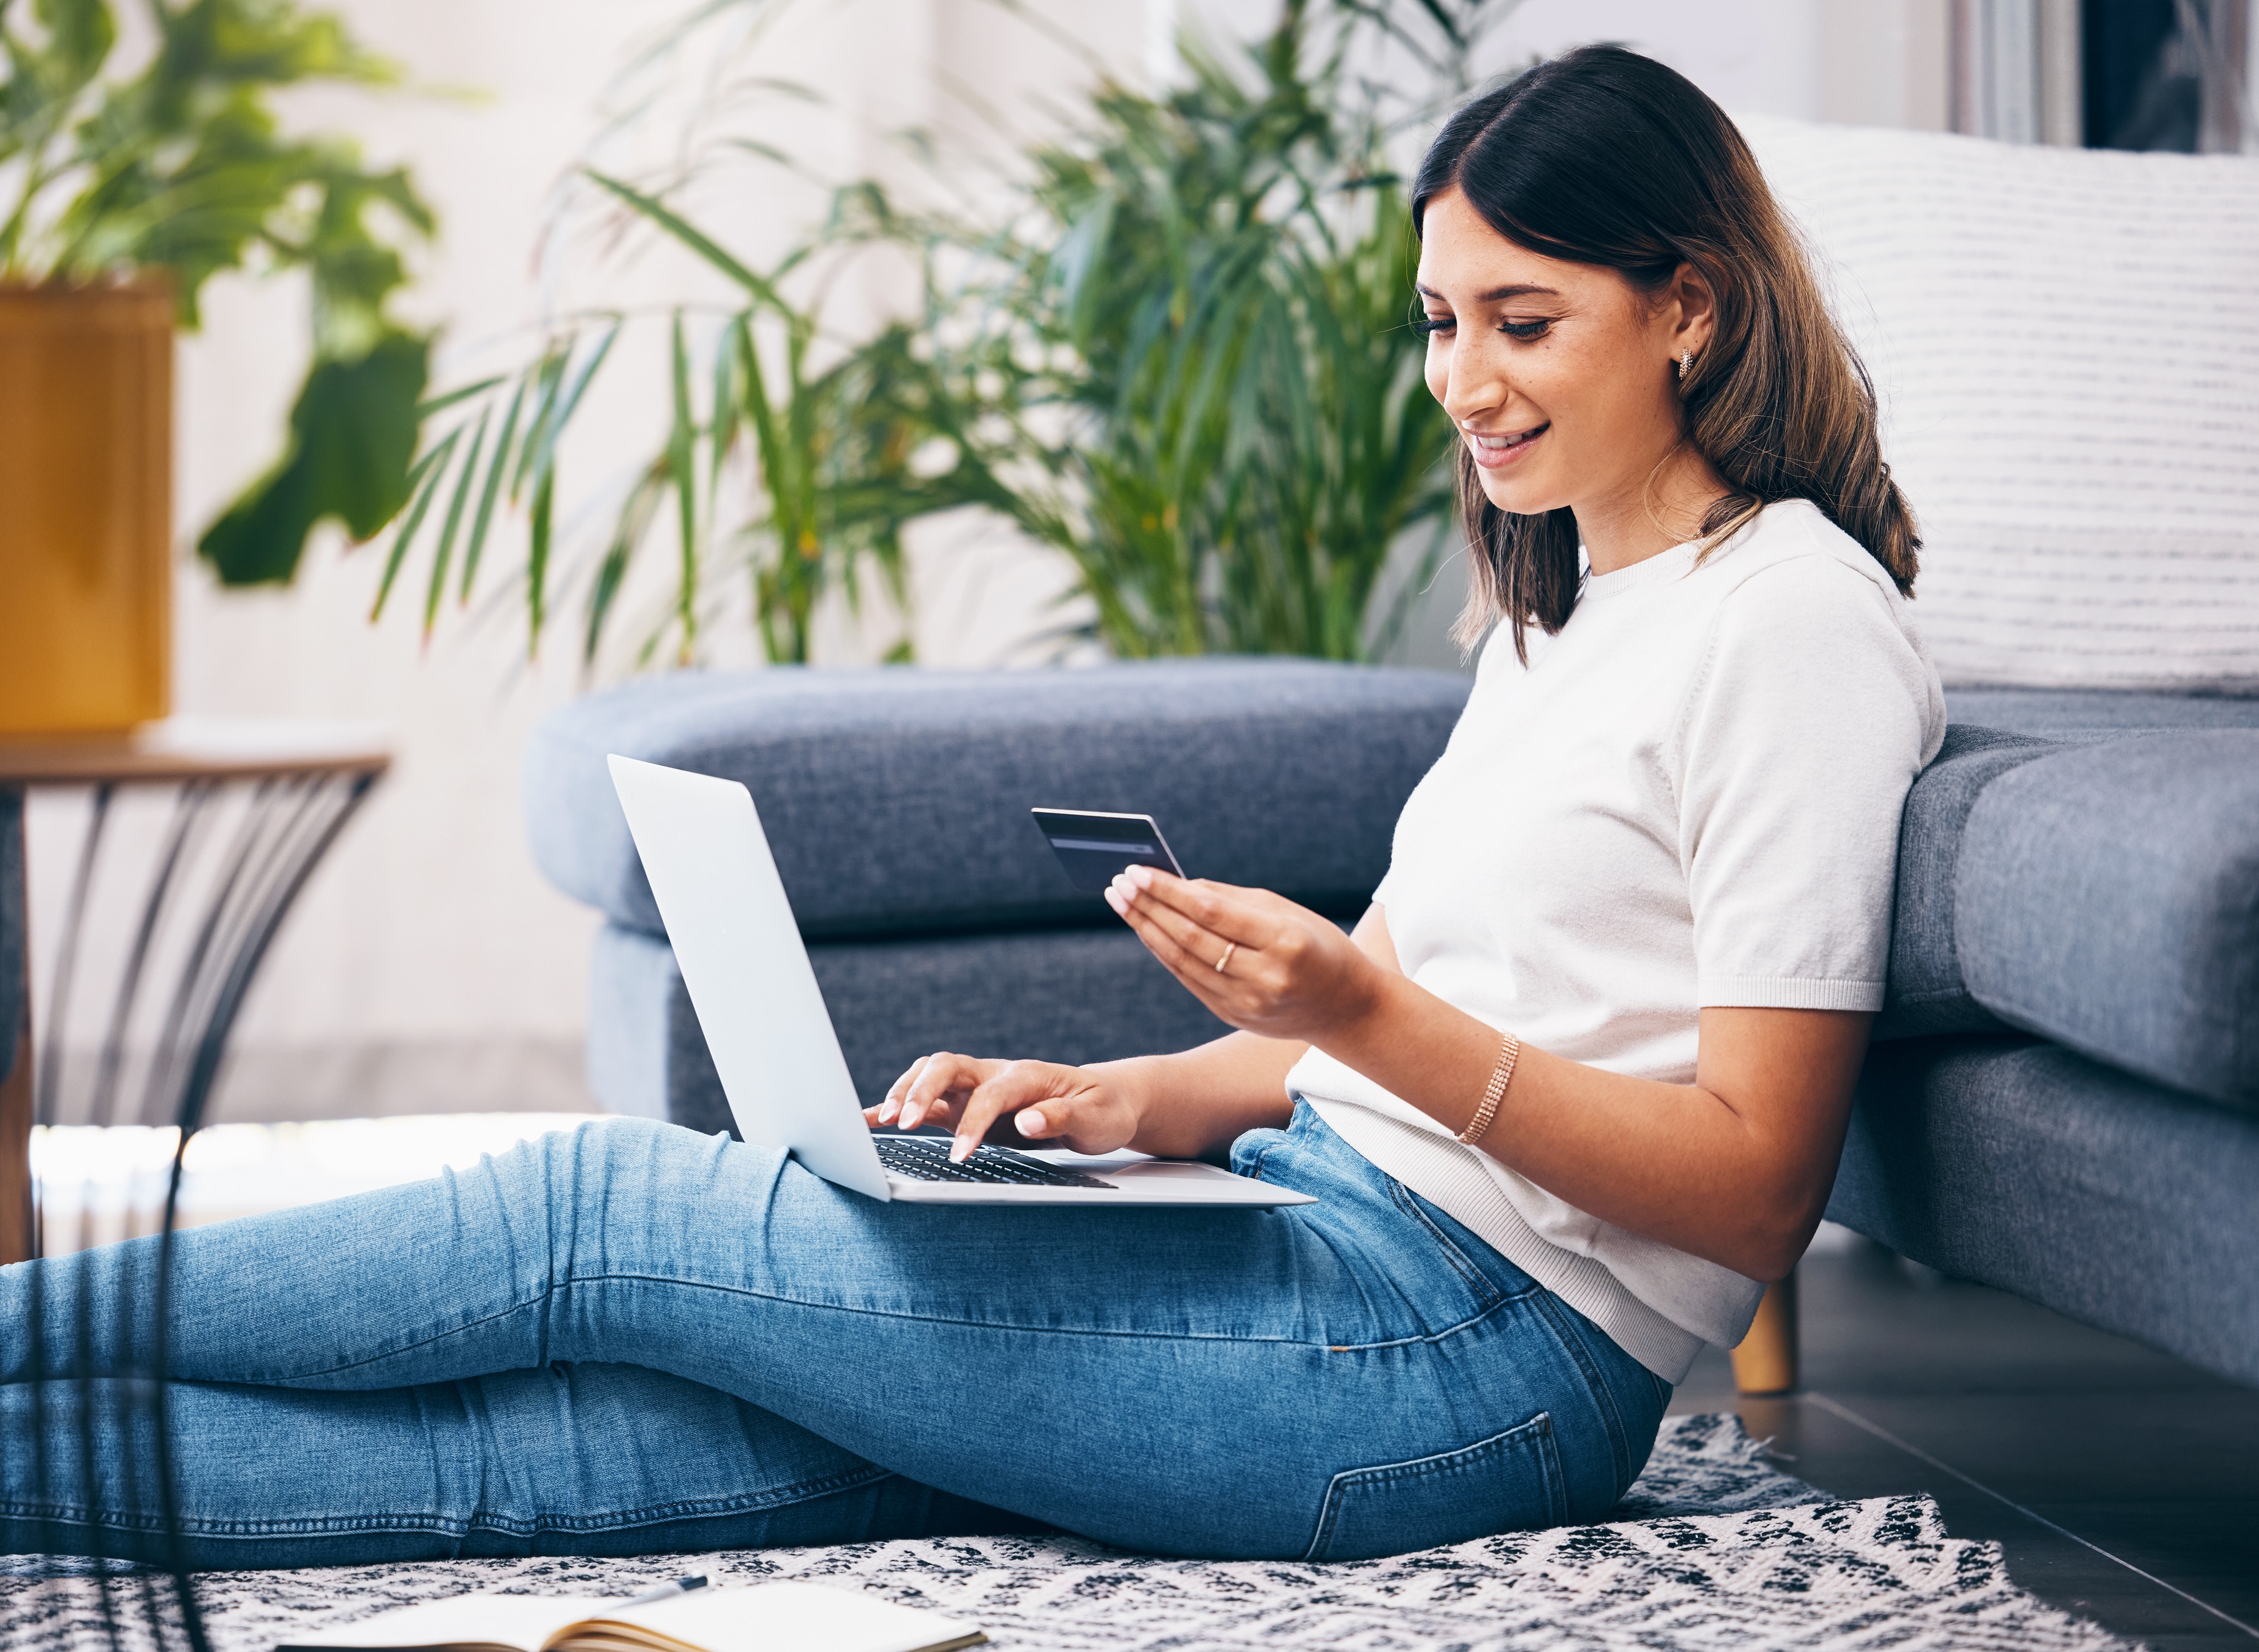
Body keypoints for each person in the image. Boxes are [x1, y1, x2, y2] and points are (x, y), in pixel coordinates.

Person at [0, 44, 1940, 1570]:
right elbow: (1438, 1040)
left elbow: (1759, 1178)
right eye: (1440, 323)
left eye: (1522, 322)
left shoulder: (1789, 628)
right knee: (573, 1442)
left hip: (1465, 1365)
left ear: (1686, 307)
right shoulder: (1566, 605)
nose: (1464, 383)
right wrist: (1134, 1095)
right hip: (1309, 1240)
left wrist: (1353, 1007)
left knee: (598, 1212)